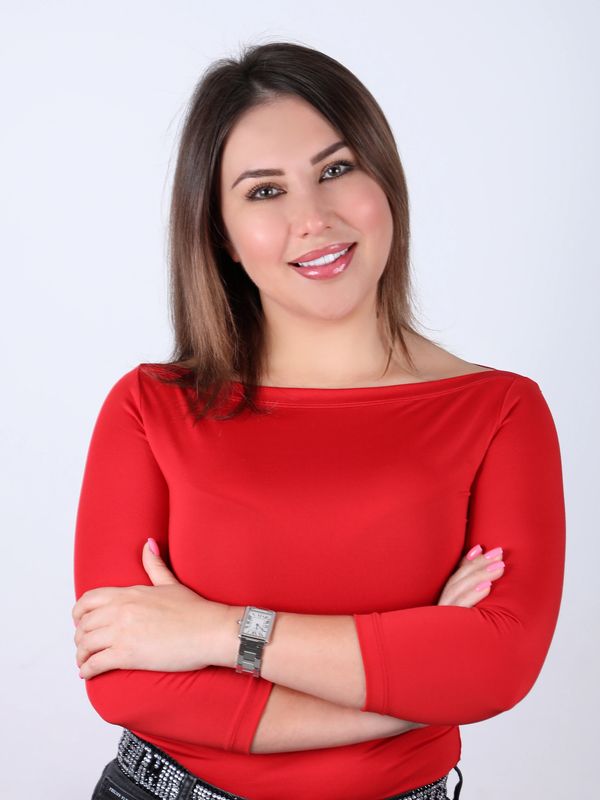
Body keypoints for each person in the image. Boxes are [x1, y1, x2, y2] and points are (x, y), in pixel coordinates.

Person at [72, 41, 565, 800]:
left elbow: (498, 665)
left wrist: (216, 632)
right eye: (264, 192)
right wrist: (407, 692)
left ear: (384, 180)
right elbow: (127, 683)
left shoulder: (500, 412)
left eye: (336, 170)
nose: (315, 217)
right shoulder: (150, 407)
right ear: (222, 238)